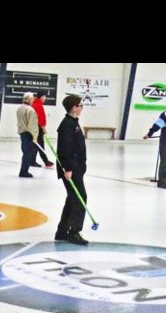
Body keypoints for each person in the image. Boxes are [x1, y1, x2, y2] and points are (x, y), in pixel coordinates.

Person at [55, 94, 89, 246]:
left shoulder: (73, 122)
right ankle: (74, 231)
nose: (82, 108)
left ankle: (62, 231)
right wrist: (68, 168)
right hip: (71, 169)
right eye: (81, 105)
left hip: (77, 168)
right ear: (74, 107)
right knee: (80, 198)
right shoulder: (67, 125)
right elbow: (64, 149)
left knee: (72, 198)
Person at [16, 93, 39, 178]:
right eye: (32, 99)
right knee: (28, 153)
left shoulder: (20, 108)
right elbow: (32, 125)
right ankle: (24, 171)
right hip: (28, 133)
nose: (33, 101)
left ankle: (23, 170)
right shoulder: (30, 109)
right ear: (29, 99)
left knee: (25, 152)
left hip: (22, 133)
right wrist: (35, 136)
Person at [31, 89, 55, 169]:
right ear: (41, 97)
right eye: (44, 96)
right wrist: (43, 128)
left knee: (37, 145)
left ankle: (42, 161)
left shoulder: (34, 104)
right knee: (39, 145)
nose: (45, 98)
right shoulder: (38, 105)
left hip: (34, 128)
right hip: (38, 128)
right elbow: (40, 118)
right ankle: (42, 161)